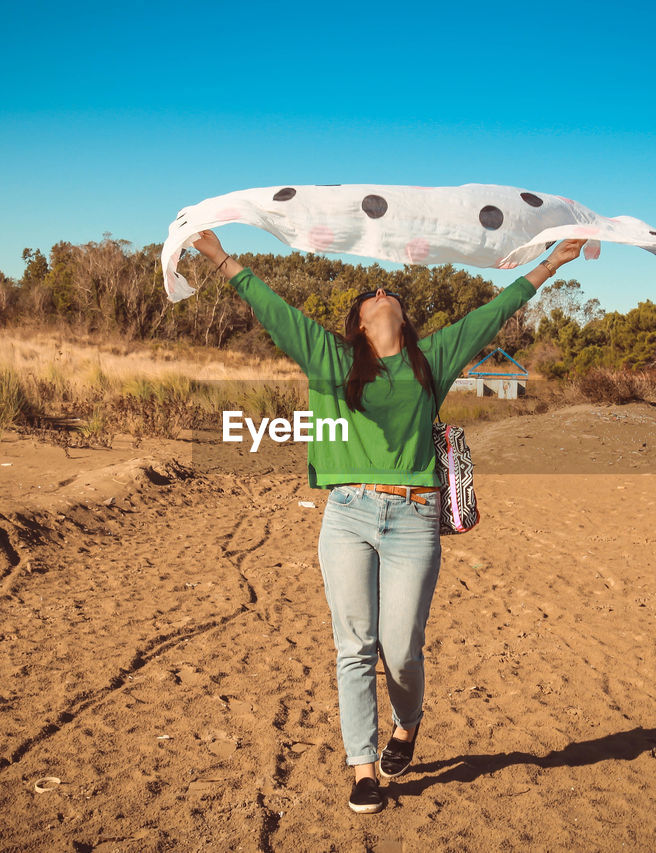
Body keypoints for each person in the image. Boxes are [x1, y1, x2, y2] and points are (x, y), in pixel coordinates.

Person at [191, 230, 587, 813]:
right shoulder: (329, 358)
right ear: (357, 322)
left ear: (401, 315)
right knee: (355, 645)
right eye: (369, 293)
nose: (380, 289)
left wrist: (552, 262)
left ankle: (408, 724)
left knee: (401, 649)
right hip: (348, 514)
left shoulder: (435, 360)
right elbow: (272, 308)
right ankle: (363, 767)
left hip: (415, 515)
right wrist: (219, 255)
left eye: (388, 289)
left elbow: (494, 312)